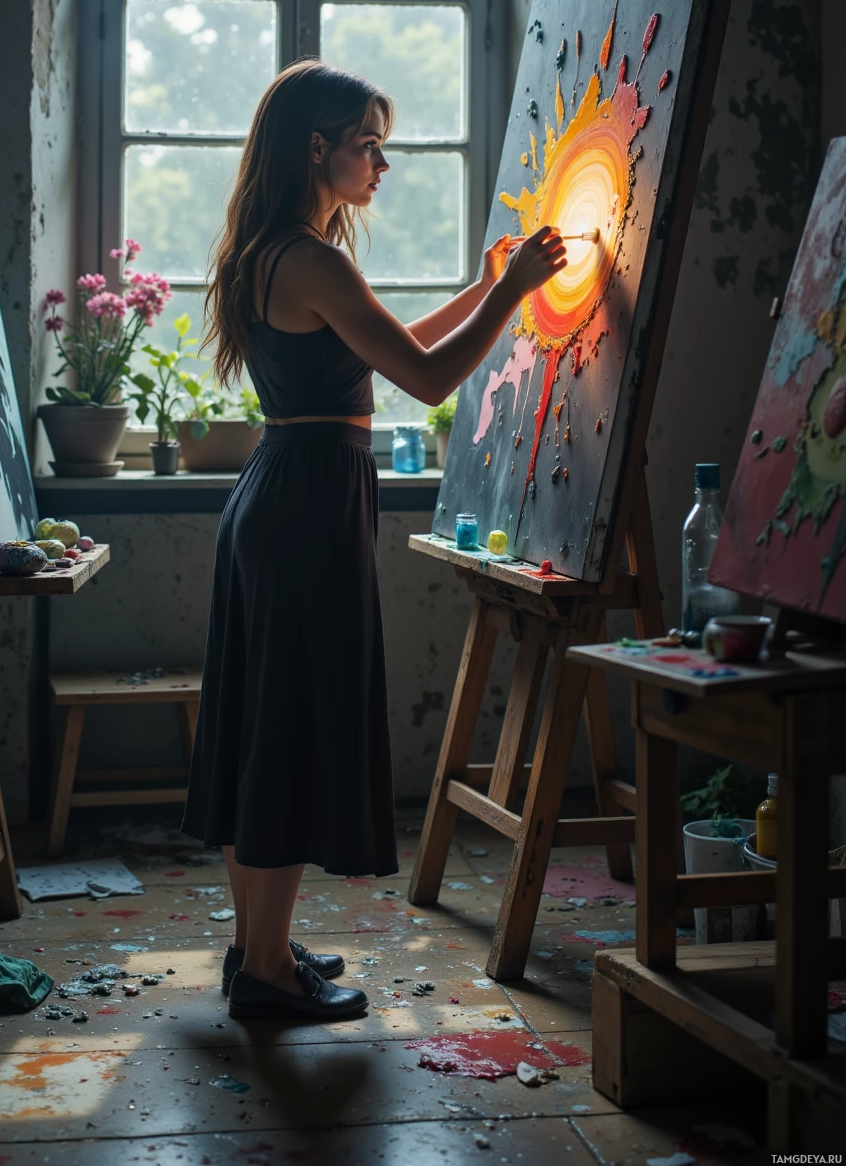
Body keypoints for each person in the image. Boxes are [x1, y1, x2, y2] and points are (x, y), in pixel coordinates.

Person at [182, 59, 566, 1020]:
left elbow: (387, 349)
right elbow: (432, 381)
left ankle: (256, 950)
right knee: (286, 732)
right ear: (318, 147)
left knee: (268, 729)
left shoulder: (277, 250)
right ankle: (266, 976)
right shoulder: (315, 259)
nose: (382, 162)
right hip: (306, 512)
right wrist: (514, 291)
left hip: (280, 501)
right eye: (368, 143)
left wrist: (483, 291)